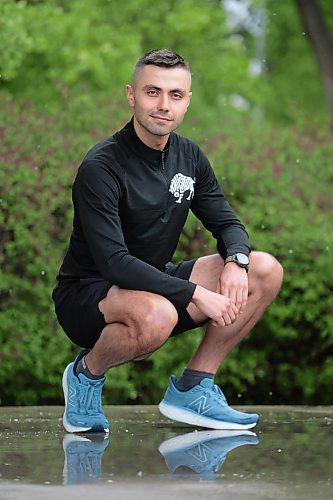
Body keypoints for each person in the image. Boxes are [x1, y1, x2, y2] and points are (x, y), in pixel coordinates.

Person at [52, 48, 283, 434]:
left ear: (187, 100)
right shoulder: (101, 167)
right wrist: (196, 294)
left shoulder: (189, 156)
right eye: (152, 92)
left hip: (157, 285)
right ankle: (85, 375)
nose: (163, 105)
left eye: (175, 95)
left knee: (264, 269)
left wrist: (236, 262)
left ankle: (194, 387)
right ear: (131, 95)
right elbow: (113, 262)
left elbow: (227, 223)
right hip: (89, 294)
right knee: (159, 314)